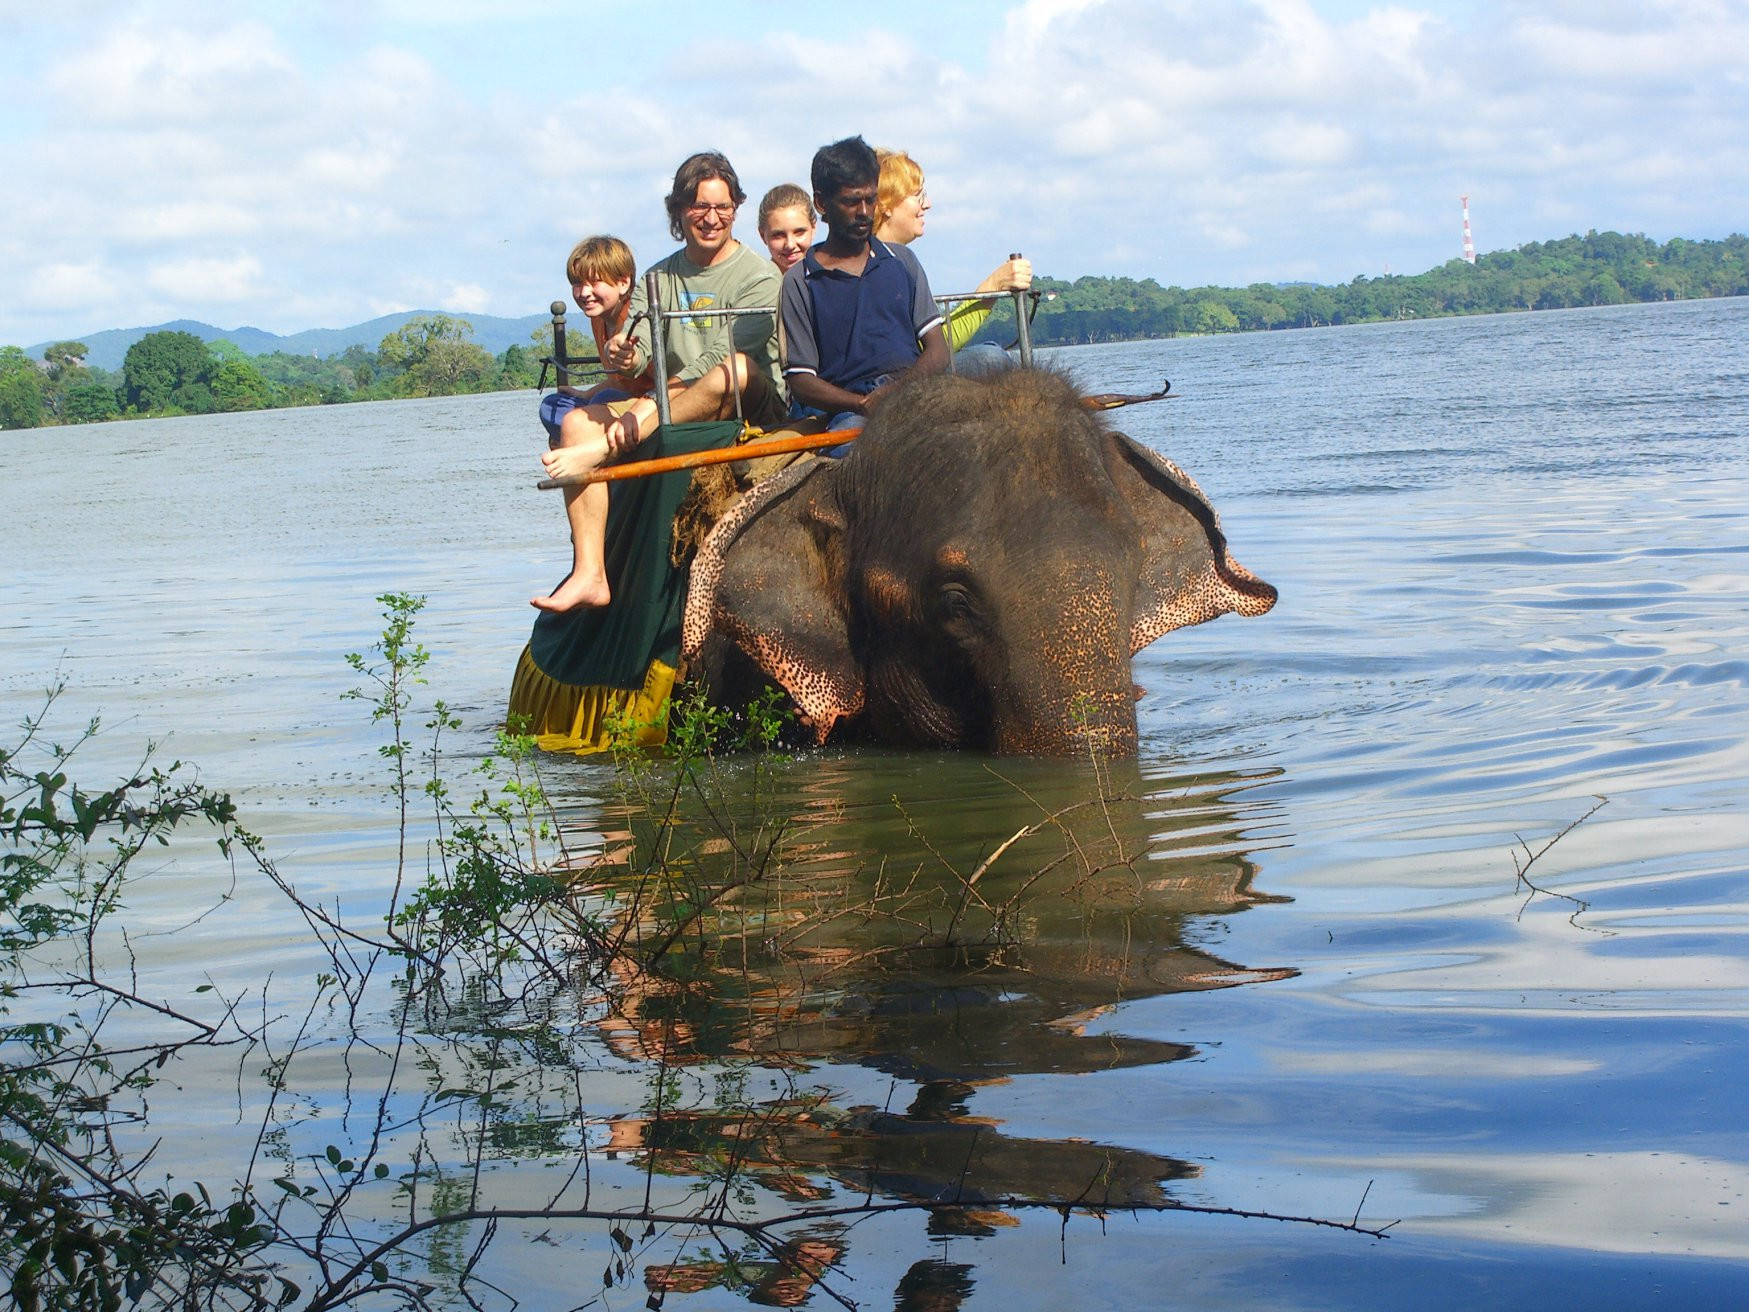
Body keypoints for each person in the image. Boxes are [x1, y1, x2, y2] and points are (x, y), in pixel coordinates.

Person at [533, 151, 784, 612]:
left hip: (745, 400)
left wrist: (652, 405)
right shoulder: (659, 276)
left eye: (722, 207)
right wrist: (625, 356)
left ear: (735, 209)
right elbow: (643, 349)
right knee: (574, 427)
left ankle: (602, 452)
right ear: (679, 212)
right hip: (669, 401)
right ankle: (590, 572)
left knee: (734, 368)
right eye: (699, 207)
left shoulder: (760, 278)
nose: (711, 218)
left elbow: (720, 355)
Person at [779, 135, 948, 439]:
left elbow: (937, 348)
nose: (864, 212)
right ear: (821, 203)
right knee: (851, 457)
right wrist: (862, 404)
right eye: (851, 201)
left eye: (870, 200)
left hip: (916, 394)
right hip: (852, 412)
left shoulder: (902, 260)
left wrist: (901, 391)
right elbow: (802, 381)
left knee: (989, 359)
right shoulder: (799, 281)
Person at [874, 148, 1031, 358]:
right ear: (886, 204)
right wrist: (993, 287)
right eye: (917, 196)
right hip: (907, 379)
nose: (927, 205)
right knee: (992, 358)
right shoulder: (886, 266)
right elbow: (933, 349)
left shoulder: (893, 260)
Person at [538, 235, 651, 446]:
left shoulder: (638, 319)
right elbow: (619, 380)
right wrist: (586, 393)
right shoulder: (599, 318)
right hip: (618, 401)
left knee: (599, 401)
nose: (584, 293)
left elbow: (662, 384)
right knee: (551, 406)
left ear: (624, 282)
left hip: (649, 408)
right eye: (578, 284)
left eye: (595, 282)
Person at [756, 184, 816, 275]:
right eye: (778, 235)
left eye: (799, 232)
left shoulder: (829, 281)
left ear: (813, 228)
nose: (790, 245)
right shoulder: (755, 286)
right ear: (762, 235)